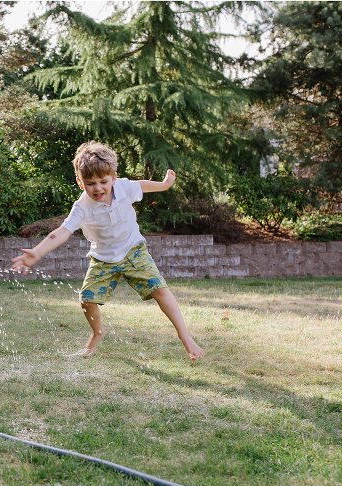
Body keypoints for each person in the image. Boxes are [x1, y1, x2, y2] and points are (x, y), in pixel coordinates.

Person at [11, 141, 205, 362]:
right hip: (103, 259)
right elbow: (63, 231)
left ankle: (185, 336)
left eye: (103, 181)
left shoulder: (123, 187)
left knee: (159, 290)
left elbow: (141, 185)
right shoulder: (82, 207)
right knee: (87, 300)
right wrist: (37, 252)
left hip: (133, 251)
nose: (98, 188)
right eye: (90, 183)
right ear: (80, 182)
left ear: (113, 177)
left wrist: (164, 184)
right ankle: (97, 333)